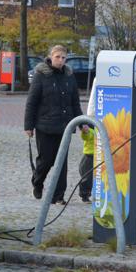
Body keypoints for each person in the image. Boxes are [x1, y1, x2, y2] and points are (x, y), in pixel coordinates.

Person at [24, 44, 85, 203]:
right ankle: (37, 182)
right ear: (51, 57)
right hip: (45, 125)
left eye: (63, 57)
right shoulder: (41, 75)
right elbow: (32, 102)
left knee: (61, 162)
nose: (60, 60)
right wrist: (28, 126)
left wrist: (81, 123)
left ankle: (58, 196)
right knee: (46, 160)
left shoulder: (69, 76)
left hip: (65, 126)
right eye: (57, 57)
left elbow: (75, 102)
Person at [77, 125, 95, 203]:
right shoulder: (90, 129)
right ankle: (84, 195)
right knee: (87, 177)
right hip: (89, 156)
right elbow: (86, 136)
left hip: (99, 156)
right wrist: (85, 132)